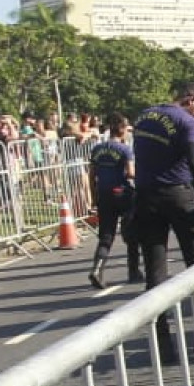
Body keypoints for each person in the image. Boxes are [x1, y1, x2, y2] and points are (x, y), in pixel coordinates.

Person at [130, 83, 194, 353]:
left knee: (155, 273)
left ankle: (163, 342)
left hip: (145, 196)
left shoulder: (144, 116)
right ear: (191, 101)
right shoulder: (186, 122)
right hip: (177, 194)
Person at [86, 114, 140, 287]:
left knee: (106, 235)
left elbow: (91, 175)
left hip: (104, 195)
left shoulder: (97, 149)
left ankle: (97, 269)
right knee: (132, 234)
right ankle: (134, 271)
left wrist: (93, 198)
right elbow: (130, 173)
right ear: (122, 129)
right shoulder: (125, 150)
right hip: (122, 193)